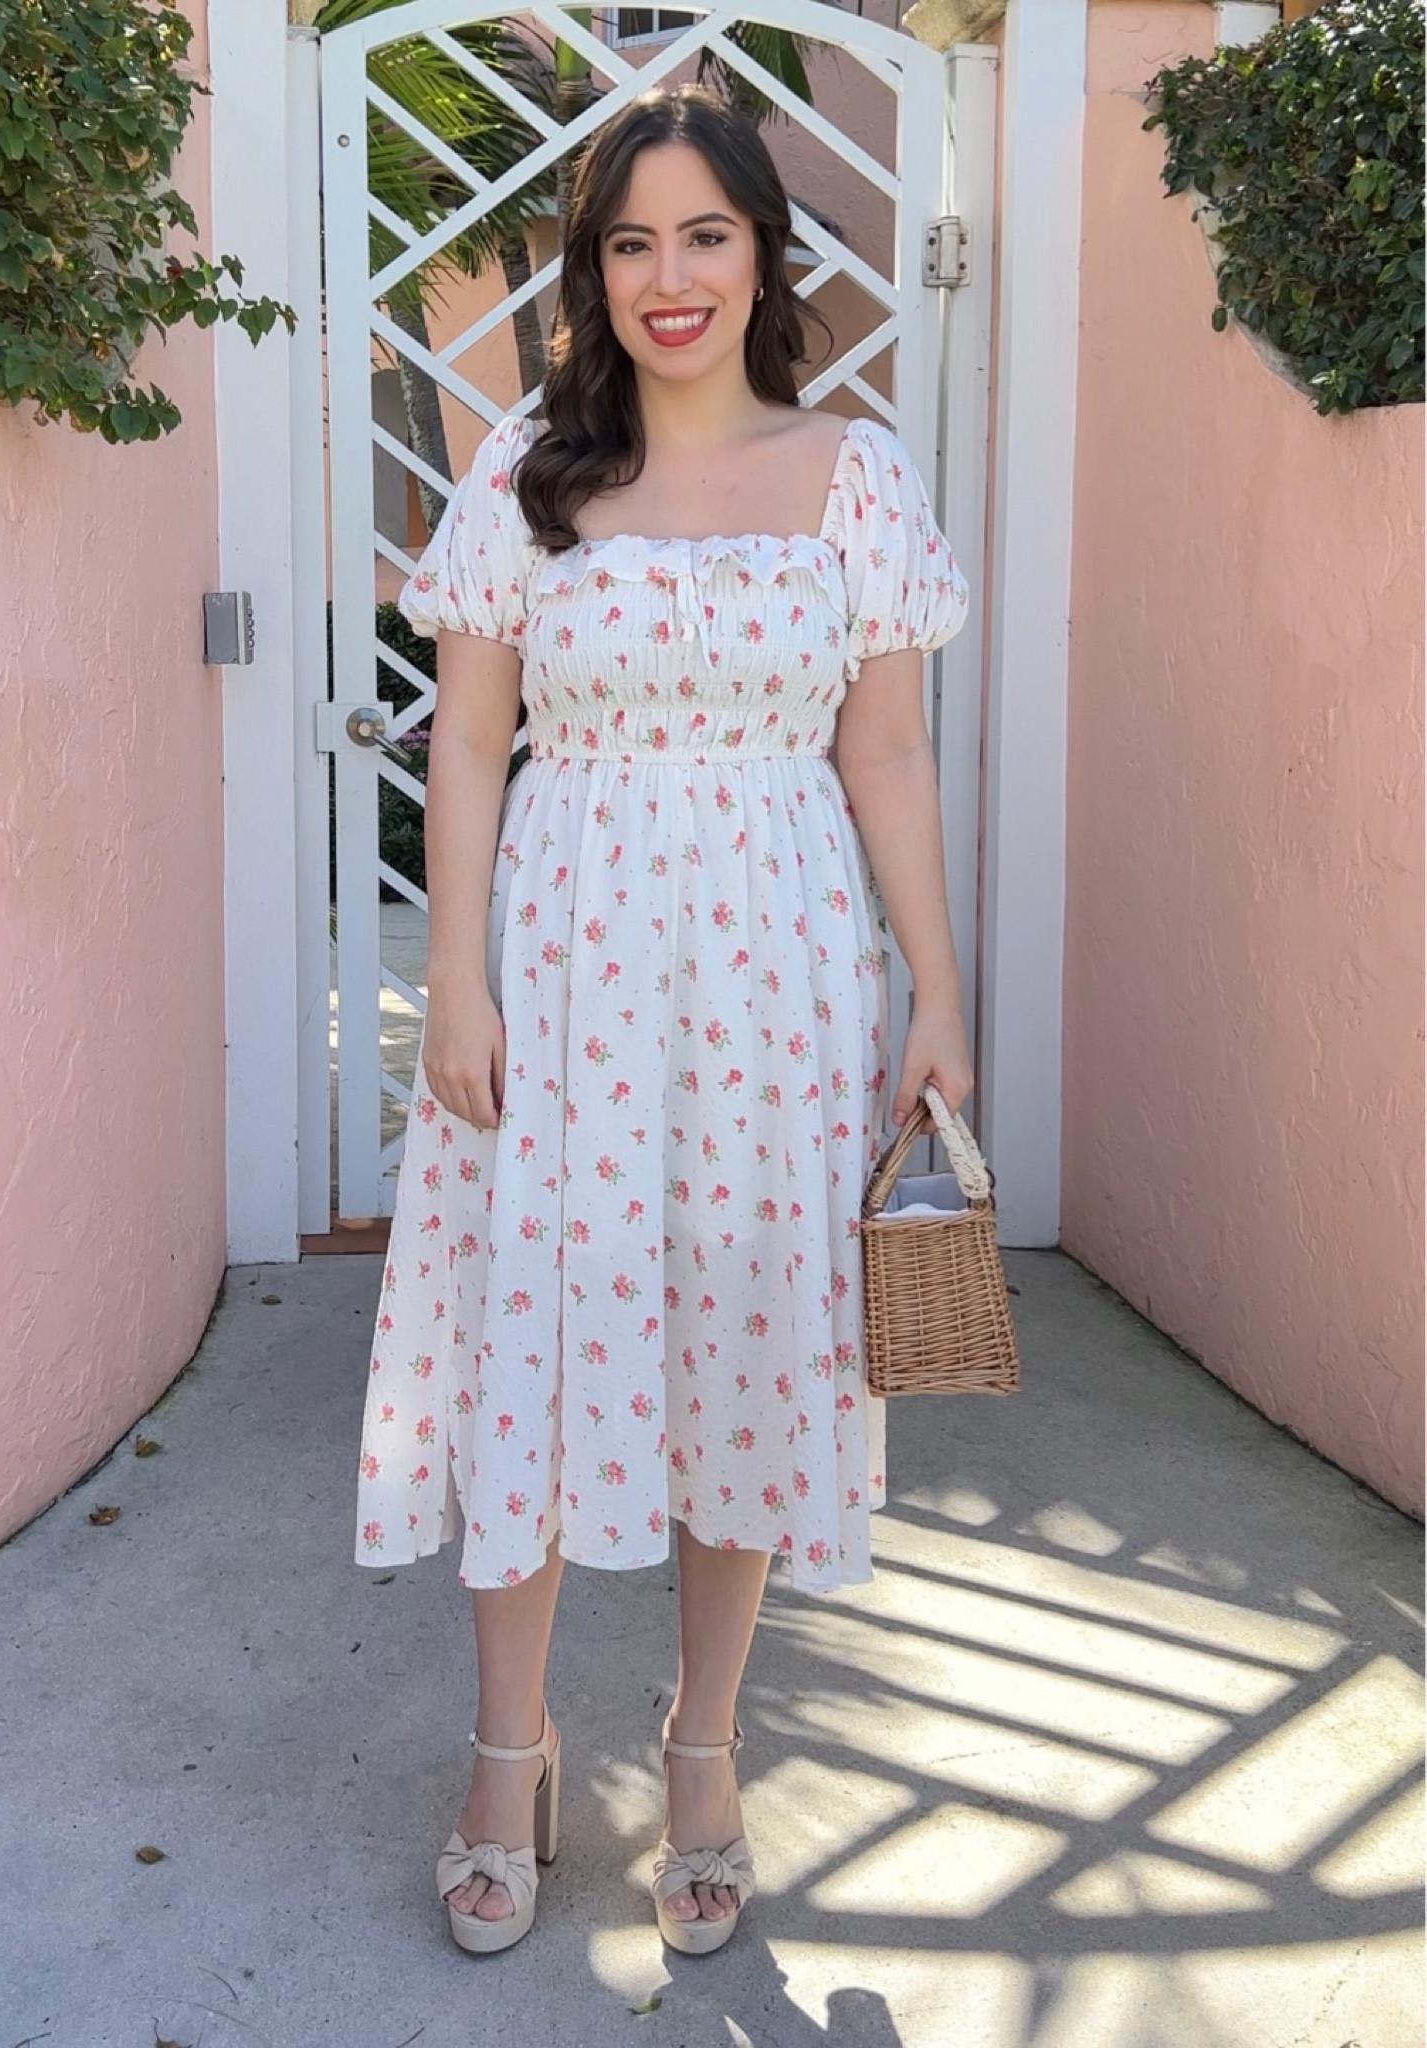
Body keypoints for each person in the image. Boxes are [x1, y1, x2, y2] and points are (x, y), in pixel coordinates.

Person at [353, 82, 973, 1956]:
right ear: (593, 273)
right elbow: (465, 735)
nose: (669, 276)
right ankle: (505, 1747)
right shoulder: (523, 474)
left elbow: (887, 756)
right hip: (557, 965)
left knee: (744, 1346)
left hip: (777, 978)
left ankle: (704, 1750)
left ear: (766, 249)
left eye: (705, 234)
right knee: (533, 1329)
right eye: (631, 242)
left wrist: (935, 986)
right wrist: (447, 973)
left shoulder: (853, 475)